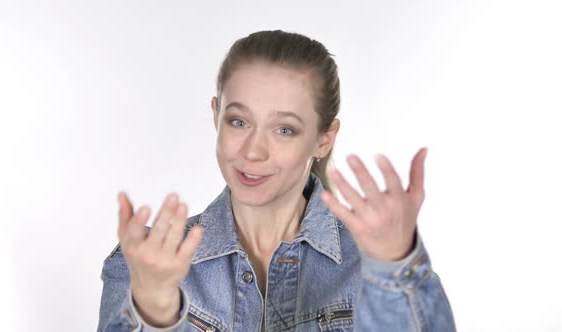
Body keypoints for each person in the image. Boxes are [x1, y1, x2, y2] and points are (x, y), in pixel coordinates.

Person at [97, 30, 456, 332]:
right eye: (238, 121)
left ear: (323, 139)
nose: (254, 151)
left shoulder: (371, 260)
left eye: (284, 129)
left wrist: (396, 268)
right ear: (215, 115)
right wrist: (155, 309)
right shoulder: (146, 261)